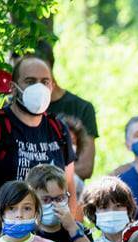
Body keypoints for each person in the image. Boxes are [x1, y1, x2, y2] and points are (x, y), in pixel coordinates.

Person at [0, 54, 78, 242]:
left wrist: (72, 236)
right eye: (30, 81)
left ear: (52, 87)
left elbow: (70, 190)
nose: (38, 87)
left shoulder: (58, 129)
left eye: (44, 82)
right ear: (14, 88)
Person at [37, 42, 99, 180]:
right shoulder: (13, 109)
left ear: (46, 66)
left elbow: (85, 168)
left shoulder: (81, 108)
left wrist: (40, 178)